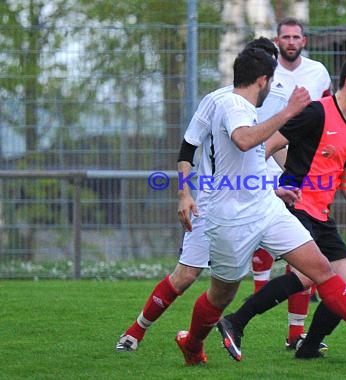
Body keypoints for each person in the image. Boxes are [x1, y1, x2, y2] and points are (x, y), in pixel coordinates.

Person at [175, 48, 346, 366]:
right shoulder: (301, 111)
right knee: (235, 290)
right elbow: (257, 145)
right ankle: (211, 334)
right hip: (273, 210)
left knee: (336, 279)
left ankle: (333, 342)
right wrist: (265, 185)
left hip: (303, 211)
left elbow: (345, 179)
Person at [114, 37, 299, 352]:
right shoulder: (218, 100)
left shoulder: (281, 99)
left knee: (310, 264)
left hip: (263, 203)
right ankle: (136, 331)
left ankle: (301, 336)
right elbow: (188, 147)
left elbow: (279, 150)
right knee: (185, 276)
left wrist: (291, 183)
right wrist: (184, 193)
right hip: (216, 204)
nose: (267, 71)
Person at [251, 17, 332, 351]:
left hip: (301, 167)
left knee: (303, 244)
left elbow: (328, 111)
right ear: (277, 40)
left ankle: (295, 334)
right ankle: (256, 290)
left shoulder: (318, 73)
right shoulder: (268, 74)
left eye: (296, 36)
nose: (291, 41)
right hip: (262, 160)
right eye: (285, 36)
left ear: (305, 40)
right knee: (261, 234)